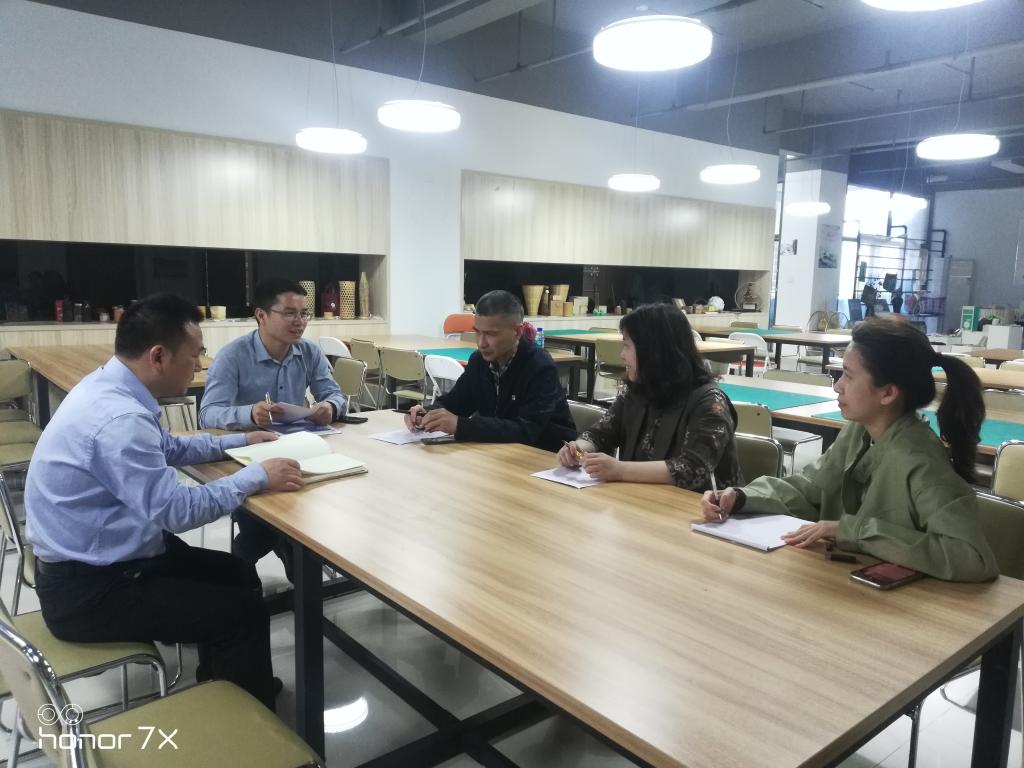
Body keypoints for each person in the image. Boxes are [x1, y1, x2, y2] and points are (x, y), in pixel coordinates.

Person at [25, 294, 304, 709]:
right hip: (90, 591)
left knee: (237, 573)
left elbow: (168, 447)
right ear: (158, 356)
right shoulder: (120, 420)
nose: (199, 366)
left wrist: (239, 441)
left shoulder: (112, 387)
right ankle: (245, 719)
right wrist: (257, 476)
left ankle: (226, 681)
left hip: (106, 560)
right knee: (241, 613)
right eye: (195, 355)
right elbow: (177, 511)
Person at [701, 317, 998, 582]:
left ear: (888, 393)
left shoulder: (921, 461)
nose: (837, 386)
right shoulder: (860, 431)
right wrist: (742, 497)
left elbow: (972, 557)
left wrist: (853, 531)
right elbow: (811, 490)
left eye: (848, 375)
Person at [200, 278, 346, 577]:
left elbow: (334, 394)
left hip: (300, 450)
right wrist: (250, 414)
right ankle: (257, 562)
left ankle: (290, 554)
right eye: (289, 313)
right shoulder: (233, 356)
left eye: (304, 314)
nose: (300, 322)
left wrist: (329, 408)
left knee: (326, 502)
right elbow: (208, 414)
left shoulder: (309, 352)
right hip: (250, 456)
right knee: (265, 526)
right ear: (261, 315)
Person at [556, 302, 741, 490]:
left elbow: (691, 469)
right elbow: (601, 433)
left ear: (653, 351)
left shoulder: (710, 402)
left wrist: (619, 470)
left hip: (698, 505)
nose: (622, 355)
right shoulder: (639, 391)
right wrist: (578, 448)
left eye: (627, 346)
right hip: (642, 498)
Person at [404, 290, 575, 451]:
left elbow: (526, 430)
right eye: (477, 333)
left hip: (546, 456)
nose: (481, 343)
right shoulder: (479, 361)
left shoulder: (539, 366)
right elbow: (456, 402)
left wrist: (461, 425)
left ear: (518, 331)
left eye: (491, 334)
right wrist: (427, 413)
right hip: (499, 452)